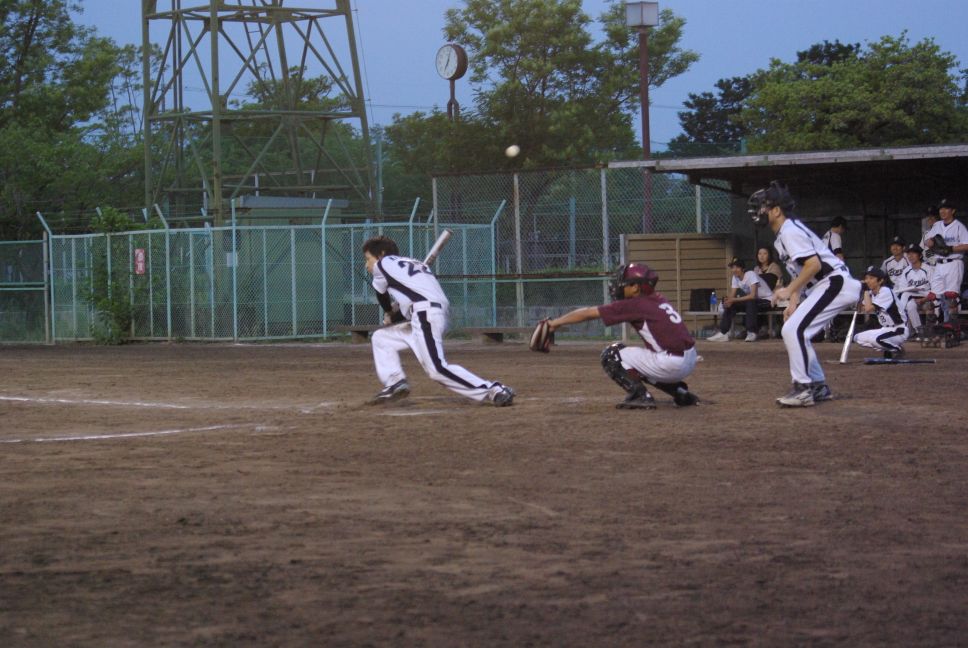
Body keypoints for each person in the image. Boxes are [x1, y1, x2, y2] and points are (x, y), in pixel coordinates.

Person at [362, 235, 515, 406]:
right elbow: (412, 302)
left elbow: (381, 295)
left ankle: (494, 390)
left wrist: (389, 312)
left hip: (425, 314)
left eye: (368, 259)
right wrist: (394, 315)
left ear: (382, 254)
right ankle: (395, 382)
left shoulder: (382, 263)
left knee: (436, 369)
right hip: (428, 313)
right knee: (381, 338)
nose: (366, 265)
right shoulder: (412, 263)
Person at [748, 181, 862, 407]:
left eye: (764, 206)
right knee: (796, 331)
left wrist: (788, 290)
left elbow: (814, 265)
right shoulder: (783, 234)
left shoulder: (790, 231)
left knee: (793, 330)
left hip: (835, 283)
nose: (760, 211)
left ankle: (803, 389)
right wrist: (794, 301)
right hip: (827, 285)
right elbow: (800, 271)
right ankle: (818, 386)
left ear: (777, 210)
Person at [543, 263, 699, 410]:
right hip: (689, 358)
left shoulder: (636, 303)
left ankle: (640, 396)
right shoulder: (658, 298)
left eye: (625, 284)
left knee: (612, 354)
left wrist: (555, 323)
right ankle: (679, 392)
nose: (619, 286)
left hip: (671, 363)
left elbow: (587, 313)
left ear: (636, 287)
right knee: (633, 363)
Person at [922, 198, 968, 330]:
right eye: (941, 209)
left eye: (946, 208)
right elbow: (928, 242)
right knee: (932, 298)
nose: (942, 211)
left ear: (952, 211)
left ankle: (953, 328)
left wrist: (951, 248)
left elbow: (967, 245)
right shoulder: (937, 225)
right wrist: (932, 243)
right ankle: (931, 328)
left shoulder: (959, 226)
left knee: (951, 297)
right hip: (939, 264)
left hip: (954, 263)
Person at [707, 257, 772, 342]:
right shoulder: (735, 278)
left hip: (767, 301)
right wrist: (728, 301)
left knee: (750, 301)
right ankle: (723, 333)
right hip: (753, 302)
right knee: (732, 304)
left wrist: (733, 300)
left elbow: (753, 296)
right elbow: (732, 296)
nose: (734, 270)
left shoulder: (750, 274)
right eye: (733, 268)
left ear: (743, 269)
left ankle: (751, 332)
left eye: (737, 267)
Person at [853, 267, 908, 359]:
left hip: (899, 330)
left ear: (880, 280)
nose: (867, 281)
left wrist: (865, 290)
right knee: (857, 338)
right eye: (866, 278)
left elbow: (868, 309)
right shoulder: (871, 293)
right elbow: (861, 309)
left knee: (875, 340)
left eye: (871, 278)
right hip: (885, 329)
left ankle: (897, 349)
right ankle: (888, 348)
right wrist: (861, 293)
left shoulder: (885, 291)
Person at [893, 243, 933, 338]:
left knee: (906, 296)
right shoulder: (906, 271)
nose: (910, 256)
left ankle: (901, 324)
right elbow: (902, 289)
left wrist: (924, 299)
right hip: (912, 296)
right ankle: (919, 330)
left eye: (913, 253)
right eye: (909, 254)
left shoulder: (928, 269)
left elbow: (935, 289)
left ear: (920, 255)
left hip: (927, 296)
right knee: (909, 304)